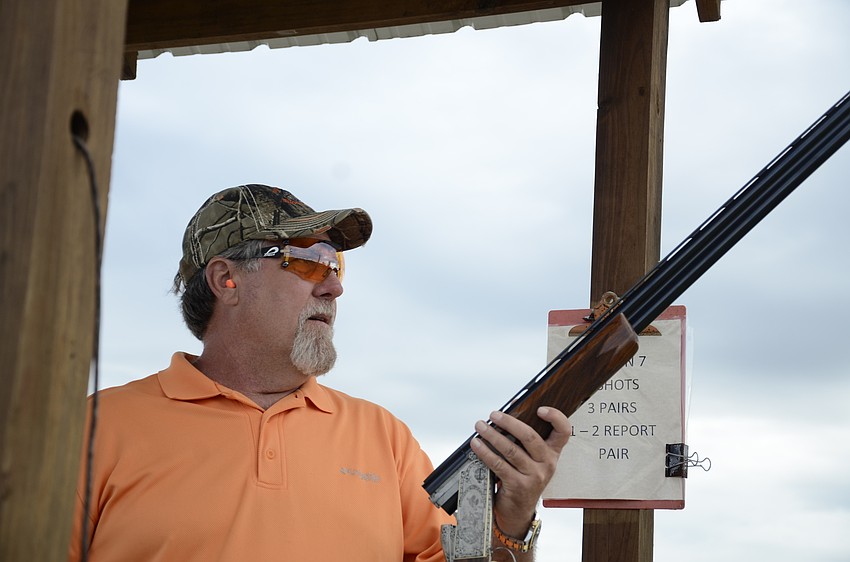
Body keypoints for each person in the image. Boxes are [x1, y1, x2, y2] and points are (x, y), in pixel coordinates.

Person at [69, 184, 571, 561]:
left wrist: (511, 517)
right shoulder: (95, 430)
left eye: (336, 265)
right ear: (226, 280)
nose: (333, 286)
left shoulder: (384, 438)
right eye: (308, 260)